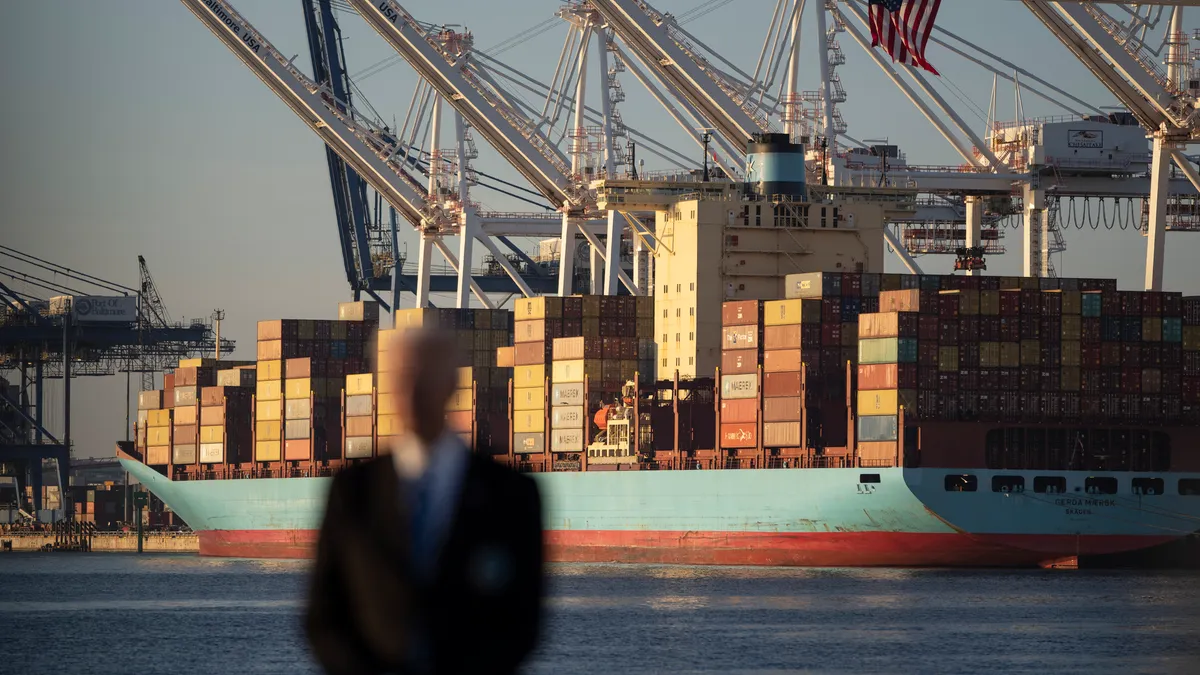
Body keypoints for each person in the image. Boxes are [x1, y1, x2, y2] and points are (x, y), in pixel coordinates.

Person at [306, 327, 545, 675]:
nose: (413, 391)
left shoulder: (513, 494)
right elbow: (323, 618)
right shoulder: (351, 491)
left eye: (424, 376)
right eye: (401, 377)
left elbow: (524, 625)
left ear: (452, 384)